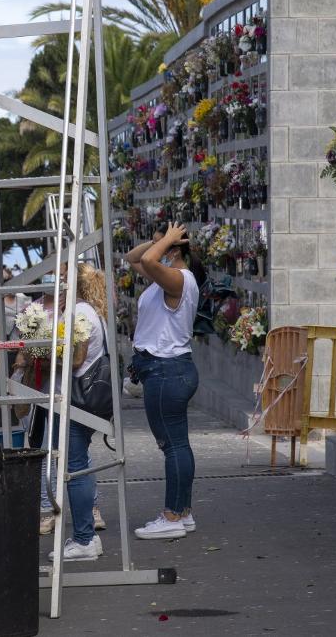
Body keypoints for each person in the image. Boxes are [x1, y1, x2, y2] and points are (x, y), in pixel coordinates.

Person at [124, 222, 206, 541]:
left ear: (173, 249)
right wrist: (159, 241)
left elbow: (146, 261)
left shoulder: (178, 278)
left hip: (166, 369)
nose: (153, 247)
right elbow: (134, 258)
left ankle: (172, 516)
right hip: (167, 369)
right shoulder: (167, 275)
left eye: (160, 244)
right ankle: (182, 513)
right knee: (178, 445)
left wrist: (168, 240)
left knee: (172, 447)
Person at [47, 262, 109, 561]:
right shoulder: (92, 311)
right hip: (82, 399)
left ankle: (84, 538)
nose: (60, 284)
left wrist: (45, 356)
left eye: (64, 280)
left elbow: (76, 358)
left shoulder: (80, 312)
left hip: (75, 399)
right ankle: (88, 537)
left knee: (74, 468)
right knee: (78, 463)